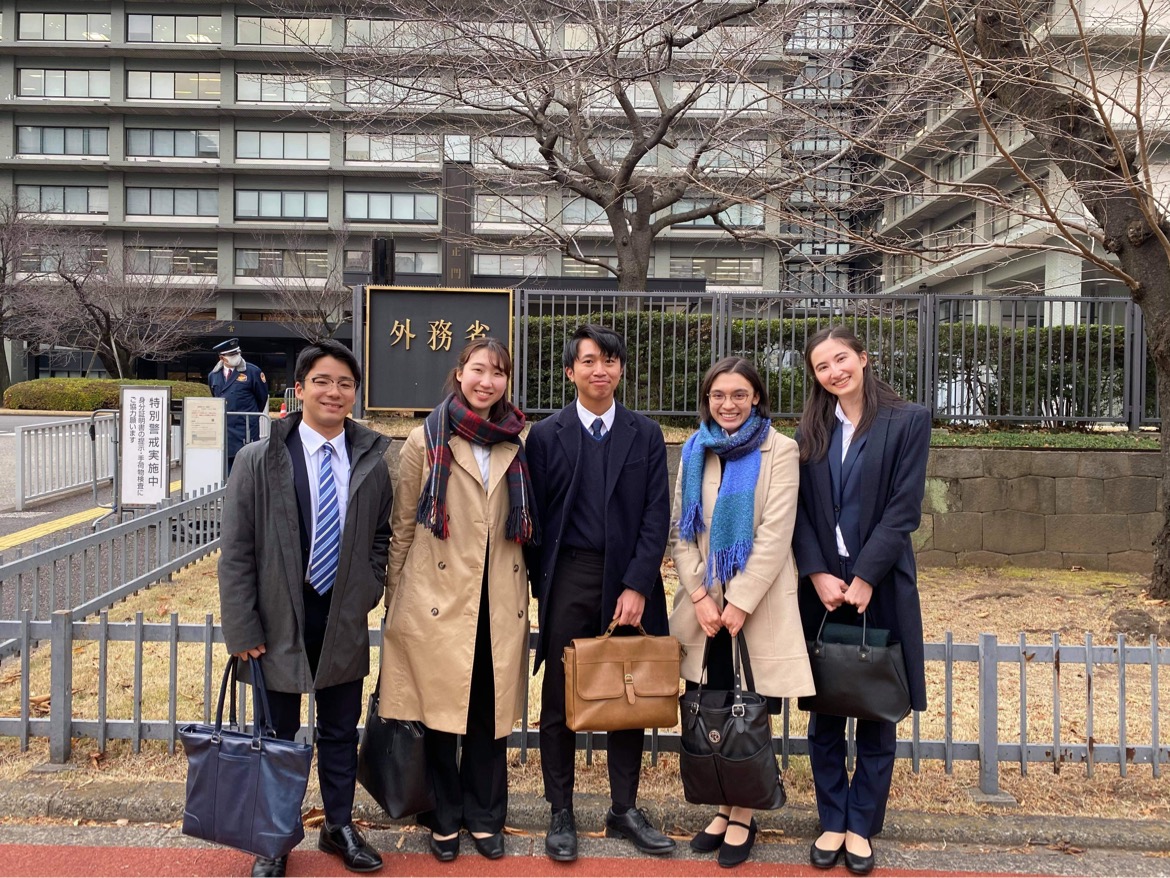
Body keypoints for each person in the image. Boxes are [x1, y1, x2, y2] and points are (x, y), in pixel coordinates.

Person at [218, 339, 393, 878]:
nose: (333, 392)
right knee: (278, 736)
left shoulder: (372, 460)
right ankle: (274, 838)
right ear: (300, 389)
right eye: (322, 381)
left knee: (341, 730)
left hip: (340, 614)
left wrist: (366, 588)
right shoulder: (259, 458)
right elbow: (237, 551)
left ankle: (338, 825)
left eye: (344, 383)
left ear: (355, 393)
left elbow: (381, 539)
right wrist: (242, 626)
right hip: (275, 619)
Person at [380, 337, 537, 863]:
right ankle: (444, 817)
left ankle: (486, 816)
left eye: (498, 373)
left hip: (499, 596)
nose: (486, 381)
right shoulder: (425, 440)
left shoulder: (520, 439)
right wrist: (394, 598)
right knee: (441, 715)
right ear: (459, 373)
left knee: (490, 716)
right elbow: (403, 527)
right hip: (437, 599)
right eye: (477, 370)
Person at [525, 324, 676, 863]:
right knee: (561, 696)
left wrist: (637, 583)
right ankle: (560, 809)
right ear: (570, 371)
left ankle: (623, 808)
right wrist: (544, 579)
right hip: (568, 575)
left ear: (620, 370)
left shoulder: (646, 434)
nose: (600, 371)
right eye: (589, 361)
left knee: (626, 690)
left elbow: (657, 514)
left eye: (610, 361)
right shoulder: (545, 436)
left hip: (629, 578)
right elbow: (534, 519)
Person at [793, 326, 930, 877]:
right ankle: (831, 818)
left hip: (882, 582)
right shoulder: (812, 427)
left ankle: (860, 824)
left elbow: (904, 507)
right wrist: (818, 571)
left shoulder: (908, 421)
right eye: (822, 366)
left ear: (863, 359)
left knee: (876, 705)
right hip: (825, 589)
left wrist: (868, 574)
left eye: (841, 359)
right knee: (826, 706)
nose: (834, 372)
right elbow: (798, 509)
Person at [669, 356, 814, 868]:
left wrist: (739, 602)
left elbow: (776, 534)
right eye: (717, 396)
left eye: (738, 395)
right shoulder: (695, 450)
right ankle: (723, 804)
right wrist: (704, 599)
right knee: (711, 705)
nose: (727, 404)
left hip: (757, 605)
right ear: (707, 400)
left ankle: (744, 812)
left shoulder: (782, 450)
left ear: (756, 398)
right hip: (704, 606)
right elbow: (681, 533)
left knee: (747, 710)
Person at [208, 338, 269, 473]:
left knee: (248, 466)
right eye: (231, 355)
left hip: (245, 427)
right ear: (222, 358)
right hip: (225, 429)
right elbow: (215, 397)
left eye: (237, 353)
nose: (236, 357)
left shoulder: (253, 372)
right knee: (226, 469)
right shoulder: (214, 375)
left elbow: (262, 397)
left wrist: (251, 417)